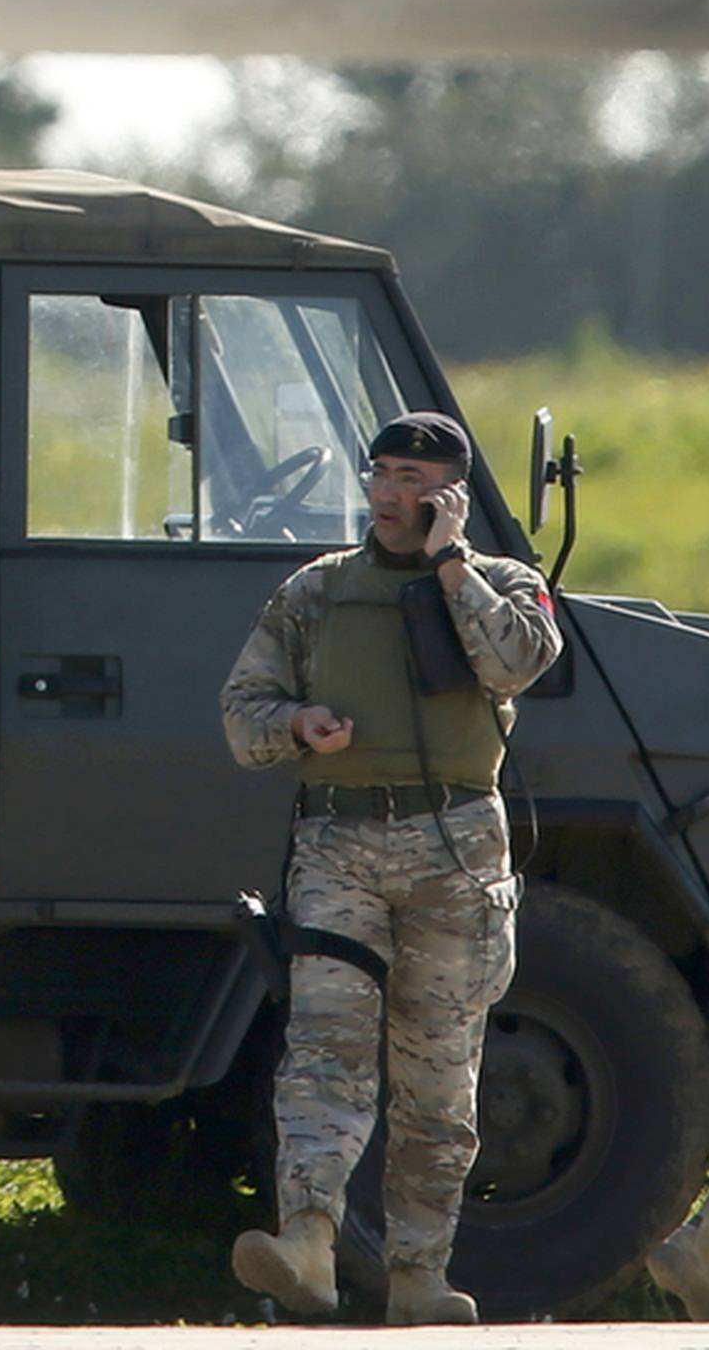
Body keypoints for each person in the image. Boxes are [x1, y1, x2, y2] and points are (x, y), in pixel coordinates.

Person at [220, 409, 562, 1326]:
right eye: (381, 475)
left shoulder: (502, 584)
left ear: (450, 494)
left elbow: (519, 663)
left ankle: (420, 1276)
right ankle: (309, 1244)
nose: (389, 495)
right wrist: (296, 724)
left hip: (455, 850)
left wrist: (452, 565)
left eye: (414, 480)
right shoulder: (317, 591)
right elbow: (242, 708)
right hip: (339, 845)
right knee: (324, 1049)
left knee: (439, 1072)